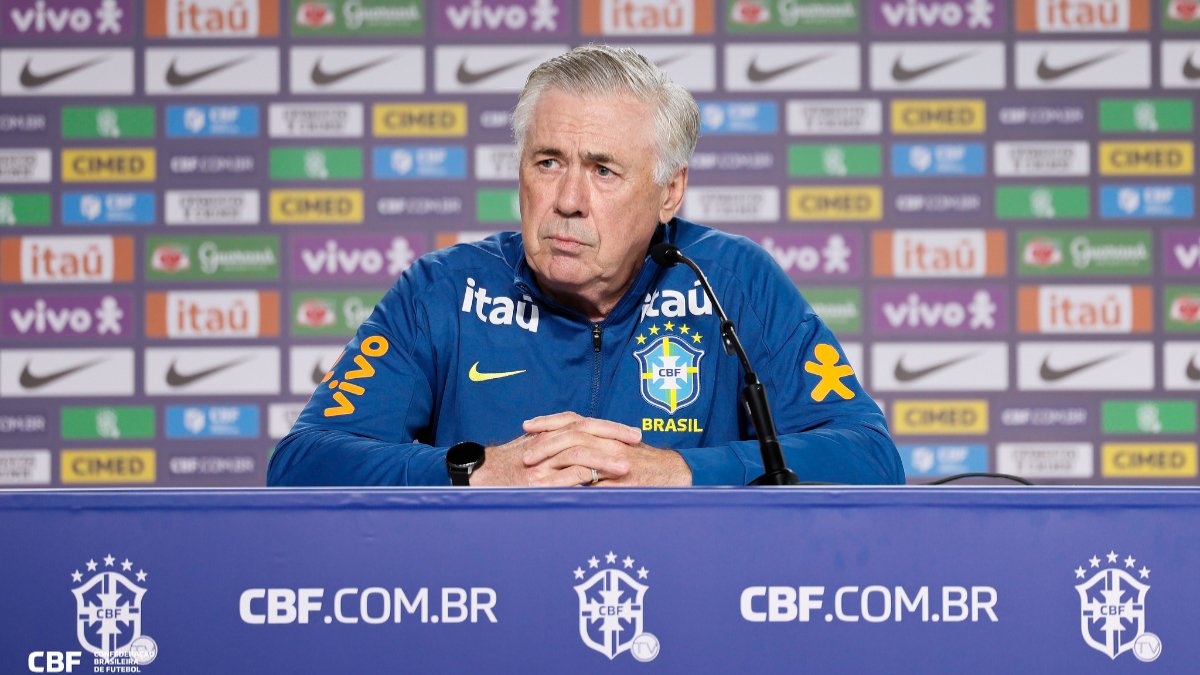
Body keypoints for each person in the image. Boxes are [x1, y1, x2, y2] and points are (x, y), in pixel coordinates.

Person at [268, 45, 902, 487]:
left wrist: (679, 473)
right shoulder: (440, 291)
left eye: (603, 170)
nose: (567, 200)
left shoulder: (736, 282)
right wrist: (473, 472)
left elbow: (870, 458)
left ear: (668, 192)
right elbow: (301, 464)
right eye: (547, 162)